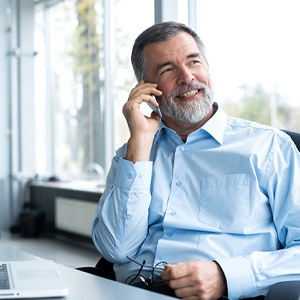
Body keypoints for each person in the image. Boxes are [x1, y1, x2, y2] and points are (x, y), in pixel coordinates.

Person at [92, 21, 300, 300]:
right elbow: (115, 249)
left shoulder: (269, 148)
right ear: (146, 89)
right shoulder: (133, 153)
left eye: (194, 62)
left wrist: (226, 276)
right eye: (167, 69)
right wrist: (139, 143)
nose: (187, 77)